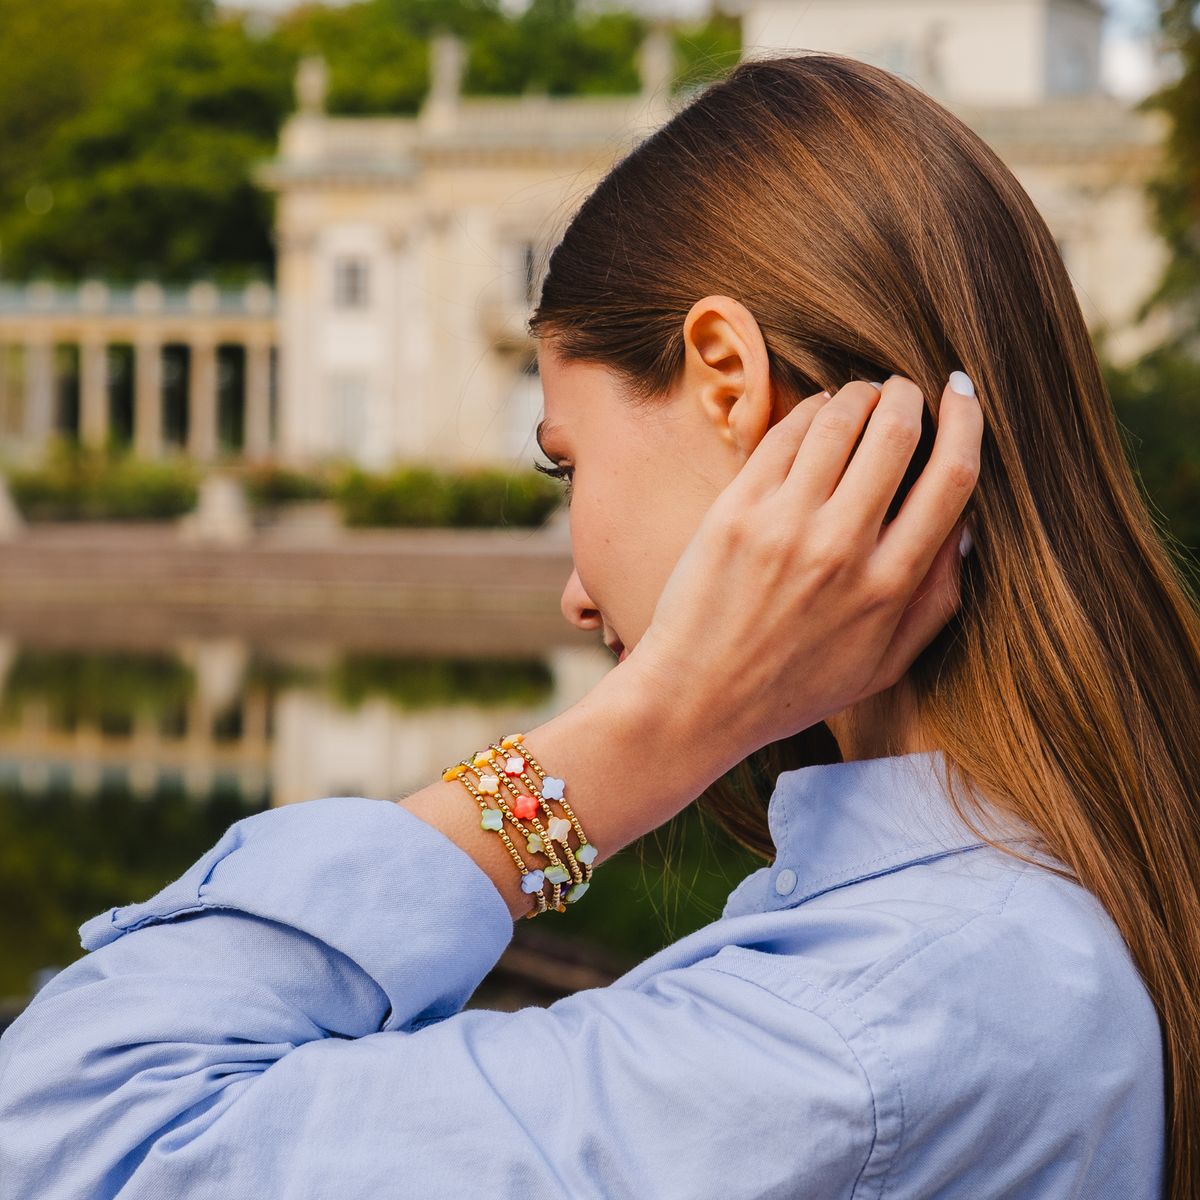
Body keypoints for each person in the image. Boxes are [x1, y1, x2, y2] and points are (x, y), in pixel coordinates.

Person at [0, 53, 1194, 1200]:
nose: (573, 595)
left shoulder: (852, 1035)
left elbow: (69, 1135)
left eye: (563, 465)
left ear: (728, 380)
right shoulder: (1036, 902)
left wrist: (647, 733)